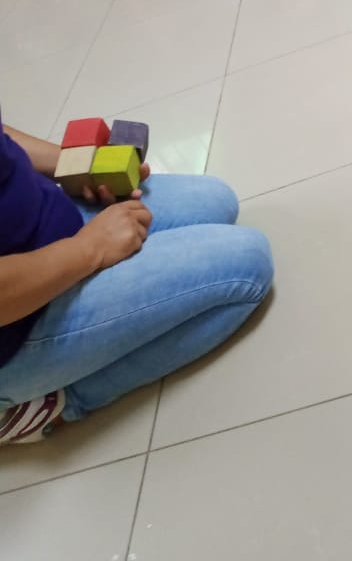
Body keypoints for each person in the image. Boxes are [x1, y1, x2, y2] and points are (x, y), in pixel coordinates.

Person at [0, 118, 273, 444]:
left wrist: (77, 166)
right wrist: (90, 248)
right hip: (17, 319)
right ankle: (58, 404)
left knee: (216, 200)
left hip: (45, 220)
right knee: (248, 266)